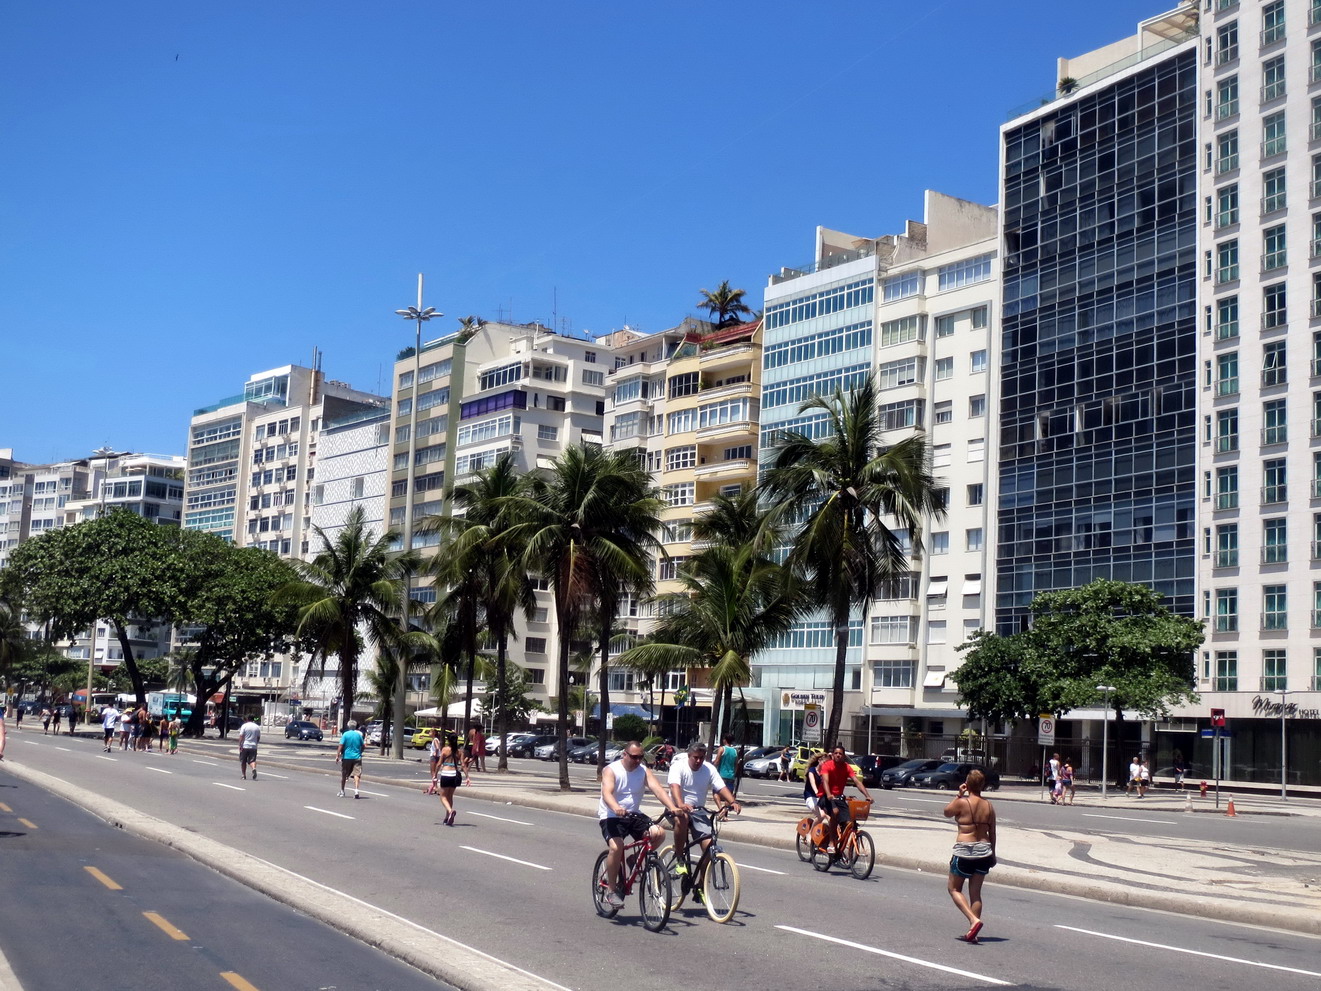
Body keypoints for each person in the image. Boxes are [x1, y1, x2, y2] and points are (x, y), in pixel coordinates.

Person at [598, 740, 678, 908]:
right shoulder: (611, 770)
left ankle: (633, 859)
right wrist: (616, 807)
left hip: (634, 814)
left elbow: (658, 789)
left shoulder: (643, 771)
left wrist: (672, 807)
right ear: (624, 755)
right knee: (616, 847)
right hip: (612, 815)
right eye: (634, 757)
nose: (637, 761)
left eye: (641, 757)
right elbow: (607, 793)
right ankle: (611, 891)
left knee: (658, 833)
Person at [667, 742, 741, 875]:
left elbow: (720, 787)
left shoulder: (709, 769)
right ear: (689, 755)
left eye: (701, 757)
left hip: (698, 813)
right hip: (677, 810)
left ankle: (700, 888)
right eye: (695, 757)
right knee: (681, 819)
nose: (698, 760)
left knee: (709, 847)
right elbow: (674, 787)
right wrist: (680, 804)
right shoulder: (678, 767)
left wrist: (732, 801)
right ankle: (679, 858)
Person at [943, 769, 997, 944]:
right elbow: (993, 832)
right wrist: (993, 854)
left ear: (968, 783)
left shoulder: (962, 802)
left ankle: (973, 921)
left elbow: (946, 812)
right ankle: (973, 931)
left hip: (965, 850)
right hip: (984, 849)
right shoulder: (988, 805)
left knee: (954, 889)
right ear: (982, 785)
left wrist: (959, 795)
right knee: (976, 893)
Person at [818, 744, 872, 853]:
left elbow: (857, 782)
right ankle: (832, 842)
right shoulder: (827, 765)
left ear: (844, 756)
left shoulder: (847, 767)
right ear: (833, 755)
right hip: (825, 796)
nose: (838, 755)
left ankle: (841, 844)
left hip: (839, 798)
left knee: (849, 821)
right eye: (836, 753)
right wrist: (829, 795)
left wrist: (867, 796)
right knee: (835, 813)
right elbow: (825, 782)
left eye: (840, 754)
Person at [434, 731, 466, 825]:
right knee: (450, 797)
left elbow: (439, 763)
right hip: (454, 774)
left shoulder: (445, 749)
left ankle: (450, 811)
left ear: (448, 740)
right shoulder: (459, 751)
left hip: (446, 774)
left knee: (443, 796)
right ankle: (447, 818)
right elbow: (463, 765)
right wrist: (468, 777)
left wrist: (435, 775)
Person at [336, 719, 366, 798]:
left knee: (344, 774)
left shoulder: (345, 734)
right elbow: (363, 746)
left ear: (348, 726)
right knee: (357, 774)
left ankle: (342, 791)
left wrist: (337, 755)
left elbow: (341, 745)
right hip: (357, 757)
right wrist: (360, 752)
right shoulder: (358, 735)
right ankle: (356, 790)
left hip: (347, 757)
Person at [802, 751, 827, 827]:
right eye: (824, 762)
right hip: (810, 797)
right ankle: (809, 834)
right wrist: (817, 791)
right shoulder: (812, 770)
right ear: (819, 761)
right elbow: (813, 782)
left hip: (820, 798)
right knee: (821, 815)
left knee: (831, 815)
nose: (825, 765)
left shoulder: (824, 773)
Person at [715, 735, 738, 801]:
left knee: (716, 793)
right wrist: (734, 773)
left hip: (721, 774)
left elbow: (717, 761)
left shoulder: (722, 749)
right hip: (731, 775)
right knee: (729, 794)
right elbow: (736, 764)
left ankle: (720, 807)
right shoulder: (735, 751)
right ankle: (725, 809)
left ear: (725, 740)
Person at [237, 716, 261, 780]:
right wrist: (256, 743)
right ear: (253, 719)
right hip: (253, 746)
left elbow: (241, 736)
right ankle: (253, 768)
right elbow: (258, 737)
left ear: (247, 719)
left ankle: (243, 775)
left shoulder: (244, 726)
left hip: (245, 746)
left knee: (243, 761)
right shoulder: (257, 727)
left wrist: (240, 745)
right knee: (252, 760)